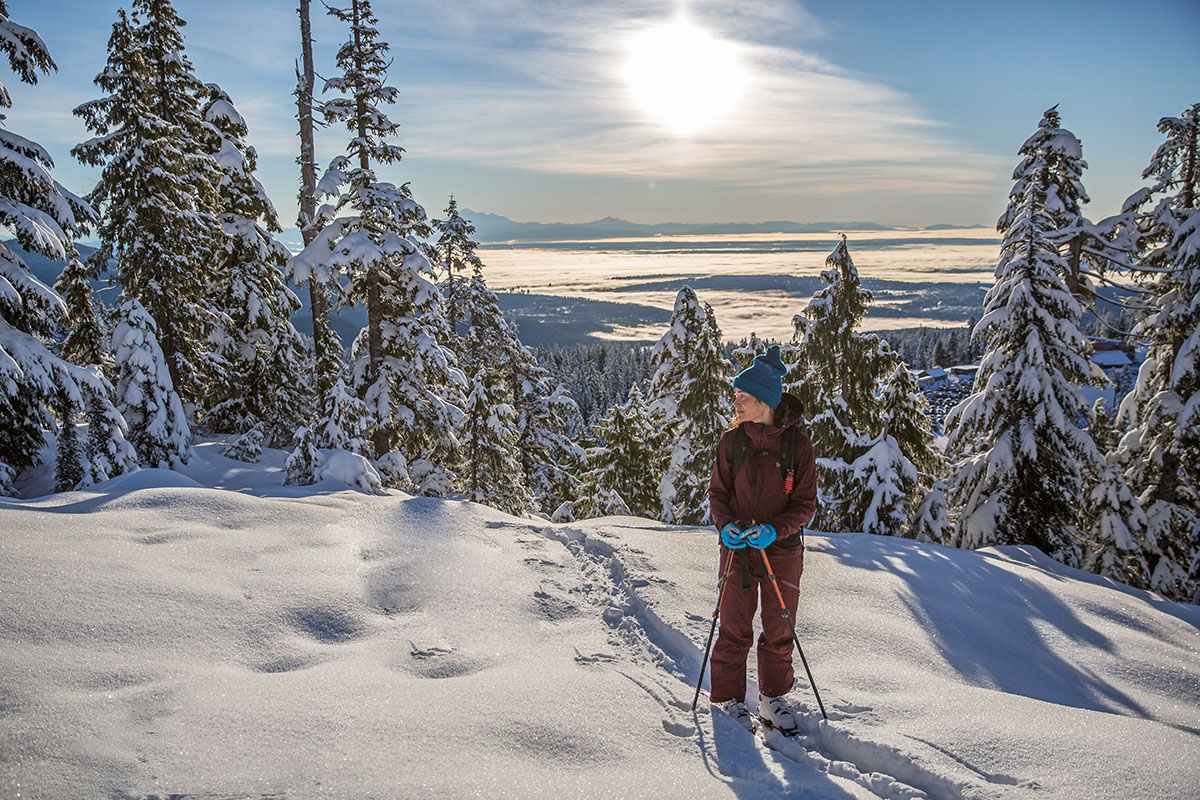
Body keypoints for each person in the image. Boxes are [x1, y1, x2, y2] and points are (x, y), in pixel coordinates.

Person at [707, 344, 817, 733]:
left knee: (779, 627)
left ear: (765, 402)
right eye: (735, 396)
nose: (735, 403)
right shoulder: (730, 443)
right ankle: (728, 700)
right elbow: (717, 495)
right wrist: (726, 526)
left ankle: (772, 698)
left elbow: (805, 505)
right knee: (734, 625)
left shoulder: (797, 446)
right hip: (737, 549)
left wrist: (775, 530)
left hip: (782, 551)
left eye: (743, 397)